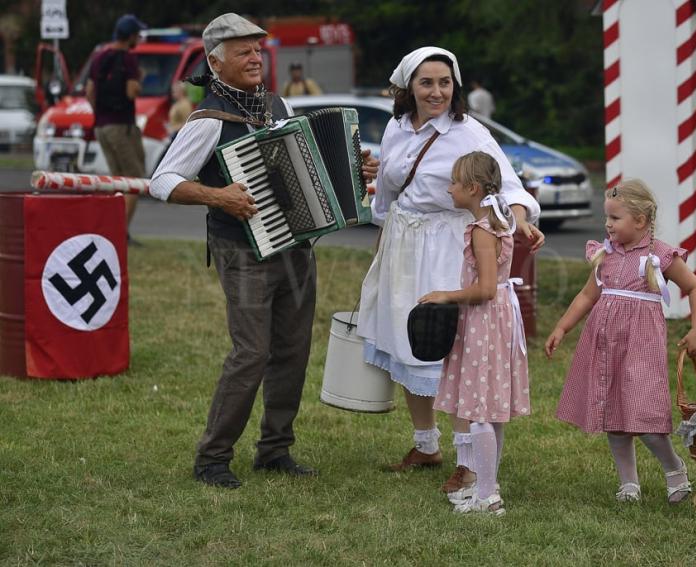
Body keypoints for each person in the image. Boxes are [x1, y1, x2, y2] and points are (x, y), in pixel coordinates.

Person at [149, 13, 379, 489]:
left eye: (257, 50)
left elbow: (308, 165)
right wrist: (217, 196)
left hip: (294, 243)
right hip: (242, 248)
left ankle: (275, 450)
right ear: (216, 62)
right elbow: (162, 181)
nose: (255, 58)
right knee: (251, 352)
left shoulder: (277, 104)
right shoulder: (208, 119)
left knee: (293, 349)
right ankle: (212, 458)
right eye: (243, 51)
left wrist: (355, 172)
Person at [357, 46, 543, 493]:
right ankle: (425, 444)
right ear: (409, 88)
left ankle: (468, 457)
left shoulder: (469, 133)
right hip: (402, 244)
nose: (437, 91)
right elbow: (388, 195)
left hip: (446, 248)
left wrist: (518, 220)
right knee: (408, 340)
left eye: (445, 82)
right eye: (427, 83)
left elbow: (510, 187)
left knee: (450, 351)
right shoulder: (396, 128)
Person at [544, 178, 696, 504]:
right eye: (607, 217)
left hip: (640, 347)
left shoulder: (658, 255)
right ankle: (628, 482)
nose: (607, 224)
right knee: (614, 415)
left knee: (644, 416)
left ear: (640, 221)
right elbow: (587, 296)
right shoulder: (605, 254)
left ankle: (674, 469)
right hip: (606, 345)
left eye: (614, 218)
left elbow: (695, 288)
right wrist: (562, 327)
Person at [419, 151, 530, 516]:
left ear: (472, 187)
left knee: (481, 410)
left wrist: (445, 295)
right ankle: (486, 485)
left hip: (484, 321)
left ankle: (487, 496)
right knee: (489, 409)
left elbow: (484, 289)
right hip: (494, 322)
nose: (449, 188)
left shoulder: (484, 231)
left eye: (453, 181)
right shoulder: (498, 223)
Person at [85, 14, 147, 243]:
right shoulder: (129, 59)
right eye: (137, 35)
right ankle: (119, 232)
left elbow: (90, 92)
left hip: (102, 126)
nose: (139, 38)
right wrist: (139, 81)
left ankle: (113, 230)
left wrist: (100, 113)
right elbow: (132, 92)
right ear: (130, 36)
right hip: (122, 125)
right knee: (134, 180)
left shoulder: (99, 57)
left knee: (116, 180)